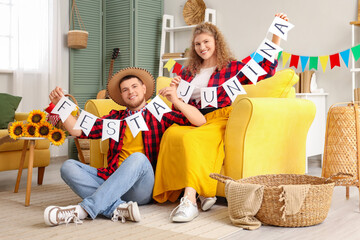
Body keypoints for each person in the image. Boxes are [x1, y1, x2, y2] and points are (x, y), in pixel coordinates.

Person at [153, 13, 289, 222]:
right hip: (194, 118)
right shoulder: (189, 72)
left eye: (206, 41)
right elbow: (182, 105)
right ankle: (201, 193)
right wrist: (176, 91)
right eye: (197, 44)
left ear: (216, 42)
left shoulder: (231, 68)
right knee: (171, 134)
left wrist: (276, 34)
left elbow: (265, 69)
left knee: (193, 139)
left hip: (220, 118)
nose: (202, 47)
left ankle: (189, 201)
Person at [43, 67, 206, 226]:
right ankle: (117, 208)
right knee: (68, 166)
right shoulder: (115, 119)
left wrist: (176, 100)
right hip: (111, 177)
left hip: (142, 187)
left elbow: (200, 121)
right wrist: (60, 105)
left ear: (143, 88)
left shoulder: (158, 113)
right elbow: (77, 130)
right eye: (125, 89)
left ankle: (83, 210)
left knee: (138, 158)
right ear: (121, 95)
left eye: (134, 86)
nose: (131, 92)